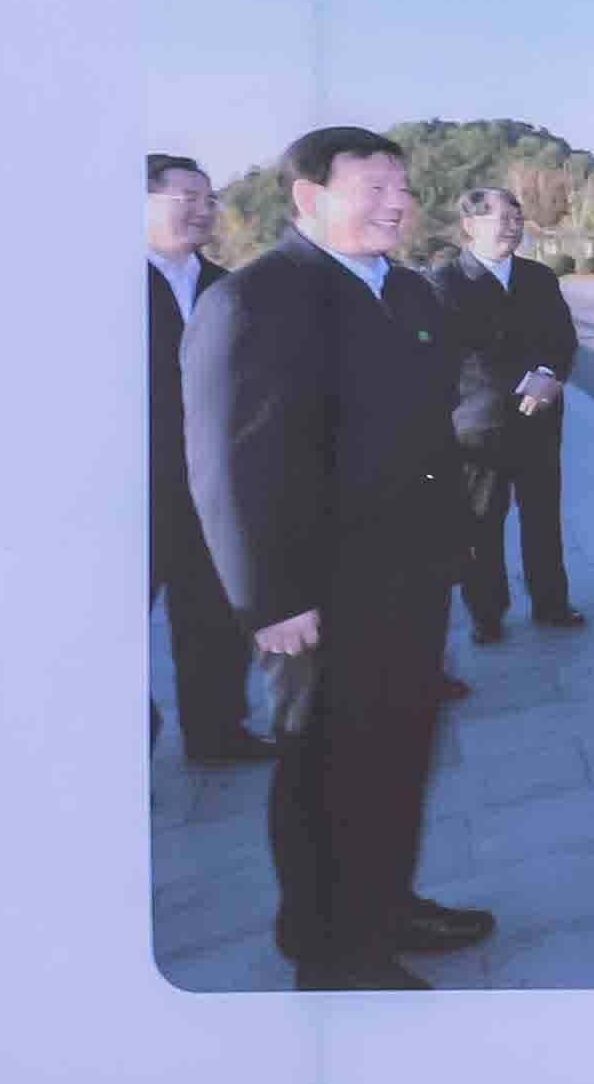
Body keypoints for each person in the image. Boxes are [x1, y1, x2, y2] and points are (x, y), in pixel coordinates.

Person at [184, 124, 495, 988]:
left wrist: (454, 534)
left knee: (398, 754)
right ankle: (328, 949)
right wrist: (268, 600)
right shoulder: (256, 299)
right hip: (317, 593)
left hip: (411, 576)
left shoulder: (408, 291)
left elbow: (432, 421)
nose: (398, 204)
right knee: (326, 768)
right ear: (309, 197)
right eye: (375, 189)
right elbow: (228, 465)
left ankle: (387, 904)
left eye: (403, 188)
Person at [140, 152, 263, 765]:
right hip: (131, 493)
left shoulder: (229, 289)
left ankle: (217, 733)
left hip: (213, 485)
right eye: (185, 197)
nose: (202, 210)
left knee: (215, 614)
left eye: (209, 199)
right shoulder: (93, 287)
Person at [432, 182, 585, 645]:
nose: (513, 227)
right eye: (504, 219)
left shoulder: (539, 278)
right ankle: (487, 613)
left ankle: (551, 603)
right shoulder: (445, 282)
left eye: (518, 219)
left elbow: (563, 338)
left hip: (540, 421)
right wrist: (524, 380)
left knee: (544, 519)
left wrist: (549, 375)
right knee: (483, 524)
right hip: (480, 426)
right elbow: (462, 352)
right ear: (470, 225)